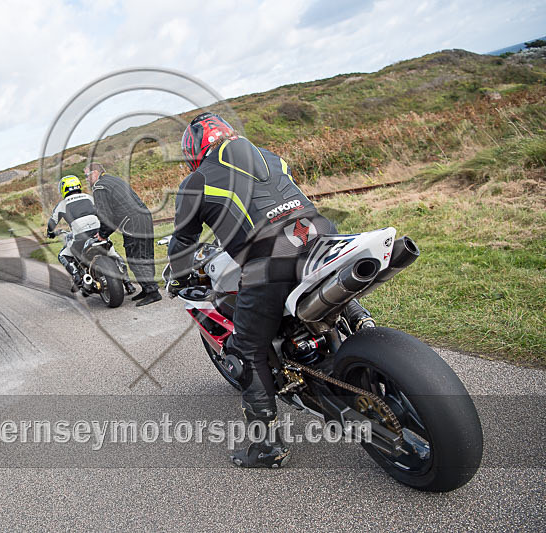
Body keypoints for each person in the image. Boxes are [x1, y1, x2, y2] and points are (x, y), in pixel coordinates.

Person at [167, 113, 371, 468]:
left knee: (246, 351)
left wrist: (180, 277)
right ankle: (361, 320)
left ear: (193, 151)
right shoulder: (271, 156)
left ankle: (268, 448)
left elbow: (183, 243)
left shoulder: (195, 182)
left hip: (270, 264)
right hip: (321, 238)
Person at [85, 162, 162, 307]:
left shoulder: (99, 187)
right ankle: (148, 288)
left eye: (87, 175)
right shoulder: (114, 180)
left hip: (131, 222)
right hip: (144, 217)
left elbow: (106, 215)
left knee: (135, 258)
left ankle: (152, 292)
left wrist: (102, 234)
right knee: (145, 254)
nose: (87, 179)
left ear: (95, 173)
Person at [46, 175, 135, 294]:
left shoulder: (62, 204)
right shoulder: (89, 197)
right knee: (113, 254)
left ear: (63, 189)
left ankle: (76, 276)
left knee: (63, 255)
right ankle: (128, 284)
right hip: (98, 233)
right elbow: (102, 211)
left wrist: (50, 233)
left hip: (80, 237)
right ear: (78, 185)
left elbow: (52, 222)